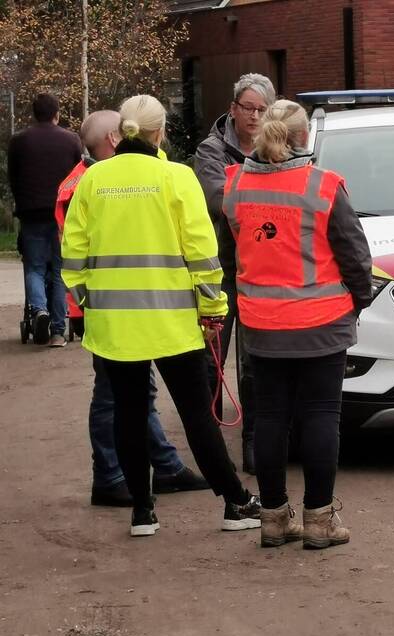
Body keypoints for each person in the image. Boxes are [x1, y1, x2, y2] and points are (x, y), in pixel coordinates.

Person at [61, 95, 261, 537]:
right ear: (160, 131)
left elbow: (72, 256)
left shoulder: (93, 181)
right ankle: (236, 503)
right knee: (196, 415)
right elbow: (202, 254)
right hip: (174, 326)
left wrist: (91, 305)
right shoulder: (177, 178)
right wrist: (213, 310)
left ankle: (142, 512)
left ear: (122, 132)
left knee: (128, 415)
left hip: (116, 328)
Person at [221, 100, 373, 549]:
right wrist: (357, 302)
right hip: (321, 323)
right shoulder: (323, 187)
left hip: (262, 326)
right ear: (304, 137)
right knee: (321, 416)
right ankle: (320, 522)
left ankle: (272, 519)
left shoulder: (236, 188)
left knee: (269, 418)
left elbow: (234, 254)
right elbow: (355, 257)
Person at [55, 110, 209, 507]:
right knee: (116, 399)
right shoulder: (98, 182)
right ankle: (110, 475)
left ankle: (164, 466)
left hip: (112, 312)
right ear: (112, 136)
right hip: (120, 314)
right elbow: (77, 256)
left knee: (134, 396)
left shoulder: (90, 180)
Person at [195, 73, 277, 474]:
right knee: (211, 362)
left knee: (255, 365)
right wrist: (265, 203)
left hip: (262, 268)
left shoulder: (278, 147)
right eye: (248, 108)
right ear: (233, 109)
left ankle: (253, 446)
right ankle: (211, 454)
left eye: (263, 109)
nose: (255, 116)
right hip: (220, 269)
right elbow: (217, 200)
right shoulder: (211, 151)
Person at [7, 93, 82, 347]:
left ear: (33, 114)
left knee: (35, 267)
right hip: (62, 214)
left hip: (31, 213)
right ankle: (59, 331)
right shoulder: (71, 140)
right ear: (57, 114)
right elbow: (78, 177)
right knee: (60, 271)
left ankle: (39, 310)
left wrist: (22, 202)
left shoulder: (19, 141)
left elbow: (13, 178)